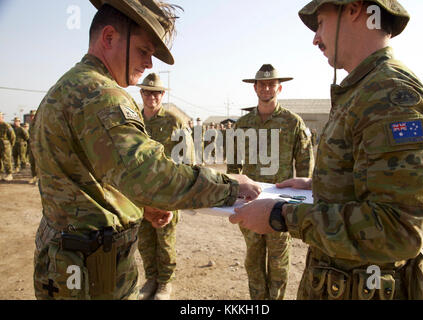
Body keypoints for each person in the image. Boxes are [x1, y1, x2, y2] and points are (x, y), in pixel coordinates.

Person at [31, 0, 260, 300]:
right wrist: (231, 186)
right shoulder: (102, 95)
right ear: (109, 37)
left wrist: (139, 205)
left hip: (66, 261)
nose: (150, 64)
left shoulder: (66, 87)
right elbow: (149, 174)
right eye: (143, 50)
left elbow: (94, 180)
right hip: (90, 271)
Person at [230, 0, 423, 300]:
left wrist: (283, 215)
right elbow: (366, 185)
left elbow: (398, 230)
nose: (316, 37)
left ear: (354, 9)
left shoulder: (388, 95)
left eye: (320, 22)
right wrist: (321, 186)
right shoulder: (363, 90)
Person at [227, 64, 314, 300]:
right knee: (253, 260)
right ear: (255, 88)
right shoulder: (242, 124)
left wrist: (303, 204)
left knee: (278, 263)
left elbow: (305, 170)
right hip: (251, 201)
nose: (266, 88)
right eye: (262, 84)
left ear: (279, 88)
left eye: (271, 84)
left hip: (281, 205)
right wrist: (235, 191)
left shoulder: (293, 122)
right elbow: (233, 166)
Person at [136, 73, 195, 300]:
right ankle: (151, 278)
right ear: (141, 93)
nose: (152, 97)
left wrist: (177, 197)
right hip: (140, 193)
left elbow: (187, 161)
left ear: (163, 94)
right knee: (145, 240)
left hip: (167, 193)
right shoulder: (134, 121)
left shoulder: (174, 121)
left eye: (157, 93)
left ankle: (165, 283)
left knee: (165, 240)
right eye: (147, 92)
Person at [0, 112, 15, 181]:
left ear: (2, 117)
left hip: (5, 144)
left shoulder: (6, 125)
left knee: (7, 159)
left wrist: (11, 145)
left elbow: (12, 136)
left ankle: (9, 174)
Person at [27, 110, 38, 184]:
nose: (32, 117)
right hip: (32, 146)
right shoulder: (31, 125)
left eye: (33, 116)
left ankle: (38, 178)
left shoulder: (40, 124)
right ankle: (33, 176)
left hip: (38, 146)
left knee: (38, 163)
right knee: (32, 162)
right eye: (31, 116)